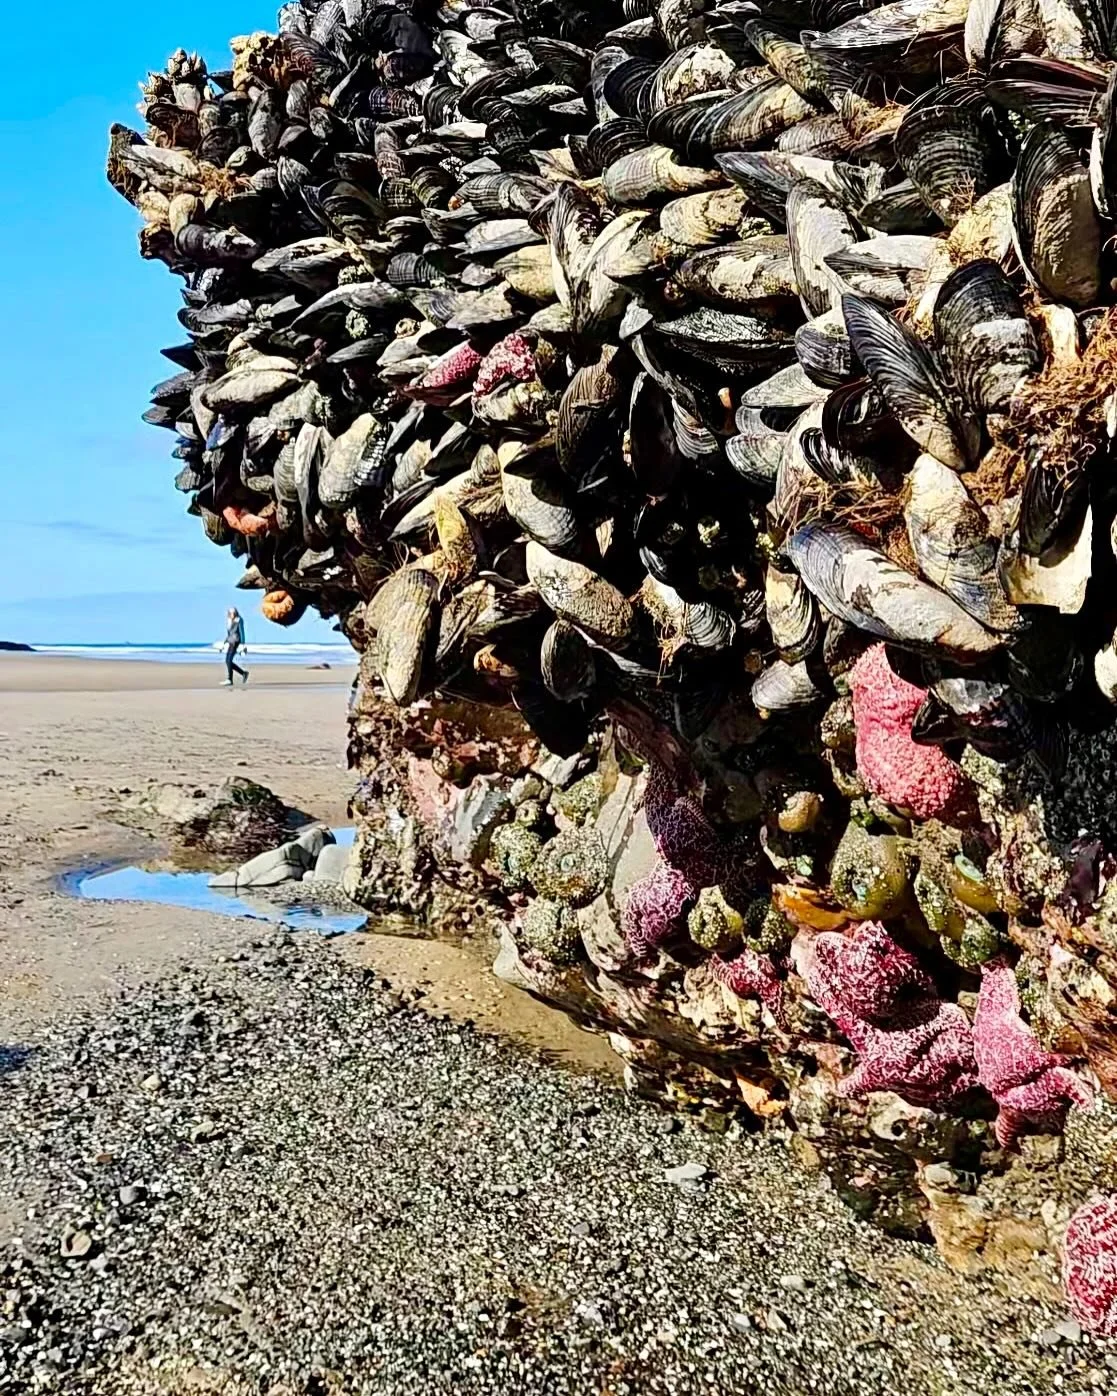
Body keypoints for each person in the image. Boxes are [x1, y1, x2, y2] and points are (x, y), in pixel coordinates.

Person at [221, 607, 249, 687]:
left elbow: (241, 631)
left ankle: (230, 679)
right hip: (230, 641)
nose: (231, 614)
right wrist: (224, 643)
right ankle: (243, 673)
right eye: (230, 613)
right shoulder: (229, 621)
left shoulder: (239, 620)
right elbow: (229, 634)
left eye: (233, 613)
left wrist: (243, 644)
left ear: (236, 613)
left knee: (228, 660)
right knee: (228, 661)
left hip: (236, 641)